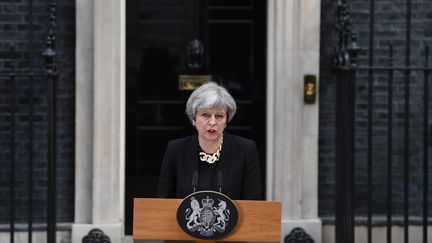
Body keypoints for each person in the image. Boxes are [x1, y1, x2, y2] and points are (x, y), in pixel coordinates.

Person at [157, 81, 262, 200]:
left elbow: (254, 204)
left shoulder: (246, 150)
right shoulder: (176, 150)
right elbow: (163, 202)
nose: (212, 122)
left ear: (226, 121)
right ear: (193, 119)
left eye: (219, 116)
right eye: (205, 115)